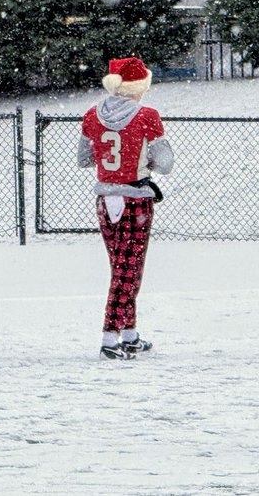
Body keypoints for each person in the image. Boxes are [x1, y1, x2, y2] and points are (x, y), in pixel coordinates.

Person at [77, 56, 174, 360]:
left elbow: (83, 159)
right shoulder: (147, 115)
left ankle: (129, 332)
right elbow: (166, 163)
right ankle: (110, 335)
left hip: (105, 198)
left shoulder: (92, 115)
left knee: (120, 268)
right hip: (135, 196)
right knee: (129, 270)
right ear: (138, 86)